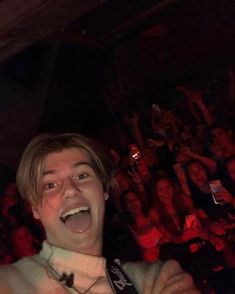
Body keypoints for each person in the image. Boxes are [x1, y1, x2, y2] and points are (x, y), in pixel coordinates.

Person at [0, 133, 198, 294]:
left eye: (82, 175)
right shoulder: (8, 283)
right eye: (50, 184)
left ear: (104, 190)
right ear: (35, 207)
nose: (70, 189)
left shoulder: (156, 278)